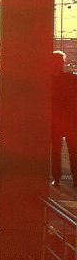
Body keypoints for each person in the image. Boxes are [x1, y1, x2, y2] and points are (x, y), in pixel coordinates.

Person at [51, 52, 77, 185]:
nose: (60, 65)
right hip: (68, 120)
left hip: (58, 121)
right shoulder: (71, 79)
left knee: (57, 150)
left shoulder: (48, 81)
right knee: (71, 150)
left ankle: (57, 177)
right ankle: (70, 177)